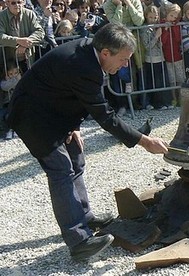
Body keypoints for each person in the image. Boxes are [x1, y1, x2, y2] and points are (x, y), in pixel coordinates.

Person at [5, 23, 169, 261]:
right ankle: (79, 241)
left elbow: (73, 94)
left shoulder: (90, 56)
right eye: (123, 59)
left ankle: (85, 215)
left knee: (76, 159)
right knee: (61, 170)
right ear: (105, 53)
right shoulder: (83, 65)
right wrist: (145, 141)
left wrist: (74, 126)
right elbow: (105, 116)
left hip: (54, 111)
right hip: (33, 117)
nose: (126, 65)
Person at [0, 0, 44, 74]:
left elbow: (39, 32)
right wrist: (18, 41)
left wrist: (26, 43)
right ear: (7, 3)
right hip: (8, 61)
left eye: (19, 2)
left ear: (23, 2)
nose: (17, 5)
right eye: (13, 3)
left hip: (28, 58)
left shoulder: (29, 14)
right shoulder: (1, 16)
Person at [139, 4, 172, 110]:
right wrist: (157, 36)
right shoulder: (145, 30)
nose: (153, 20)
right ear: (146, 16)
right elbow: (147, 46)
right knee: (154, 82)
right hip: (151, 59)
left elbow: (161, 43)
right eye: (150, 17)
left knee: (162, 81)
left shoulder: (157, 27)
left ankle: (166, 101)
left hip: (161, 57)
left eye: (155, 17)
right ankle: (157, 103)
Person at [160, 3, 184, 107]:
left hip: (177, 55)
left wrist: (174, 27)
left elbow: (178, 38)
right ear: (167, 14)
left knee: (180, 78)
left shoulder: (177, 25)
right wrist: (165, 29)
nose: (173, 18)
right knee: (172, 80)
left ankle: (181, 98)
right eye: (171, 16)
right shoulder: (161, 24)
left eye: (175, 16)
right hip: (167, 56)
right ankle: (173, 98)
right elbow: (163, 41)